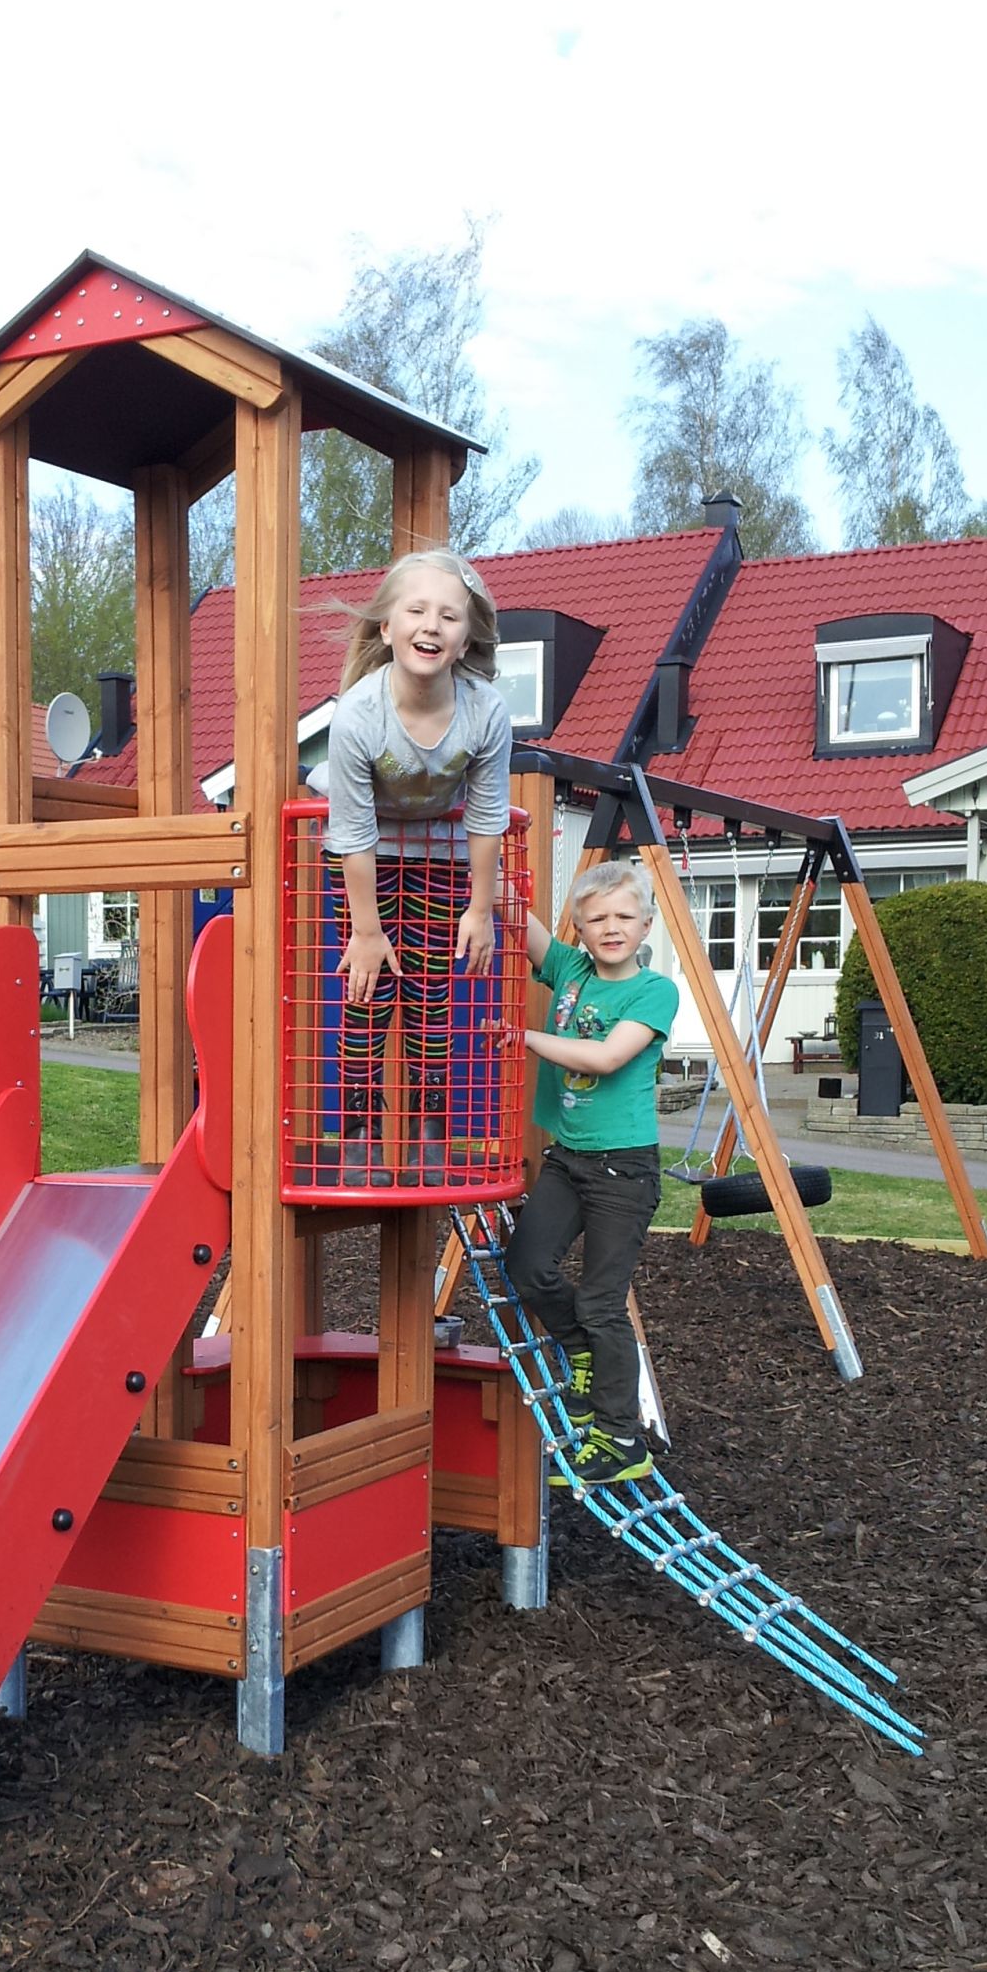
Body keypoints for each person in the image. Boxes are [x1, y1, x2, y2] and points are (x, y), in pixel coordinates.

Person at [322, 549, 514, 1187]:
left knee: (432, 991)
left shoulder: (485, 710)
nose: (432, 625)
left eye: (449, 617)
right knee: (367, 988)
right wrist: (367, 932)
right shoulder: (359, 713)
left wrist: (481, 909)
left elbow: (487, 815)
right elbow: (352, 832)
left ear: (466, 639)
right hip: (367, 853)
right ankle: (358, 1135)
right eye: (416, 611)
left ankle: (430, 1133)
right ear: (386, 628)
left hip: (438, 847)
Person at [507, 860, 678, 1485]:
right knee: (526, 1265)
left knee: (604, 1302)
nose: (612, 927)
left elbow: (605, 1058)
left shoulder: (654, 991)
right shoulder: (571, 971)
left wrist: (525, 1037)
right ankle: (578, 1348)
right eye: (597, 917)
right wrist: (477, 853)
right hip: (569, 1158)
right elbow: (513, 915)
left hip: (623, 1168)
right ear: (578, 928)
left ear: (646, 926)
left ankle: (620, 1438)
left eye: (625, 916)